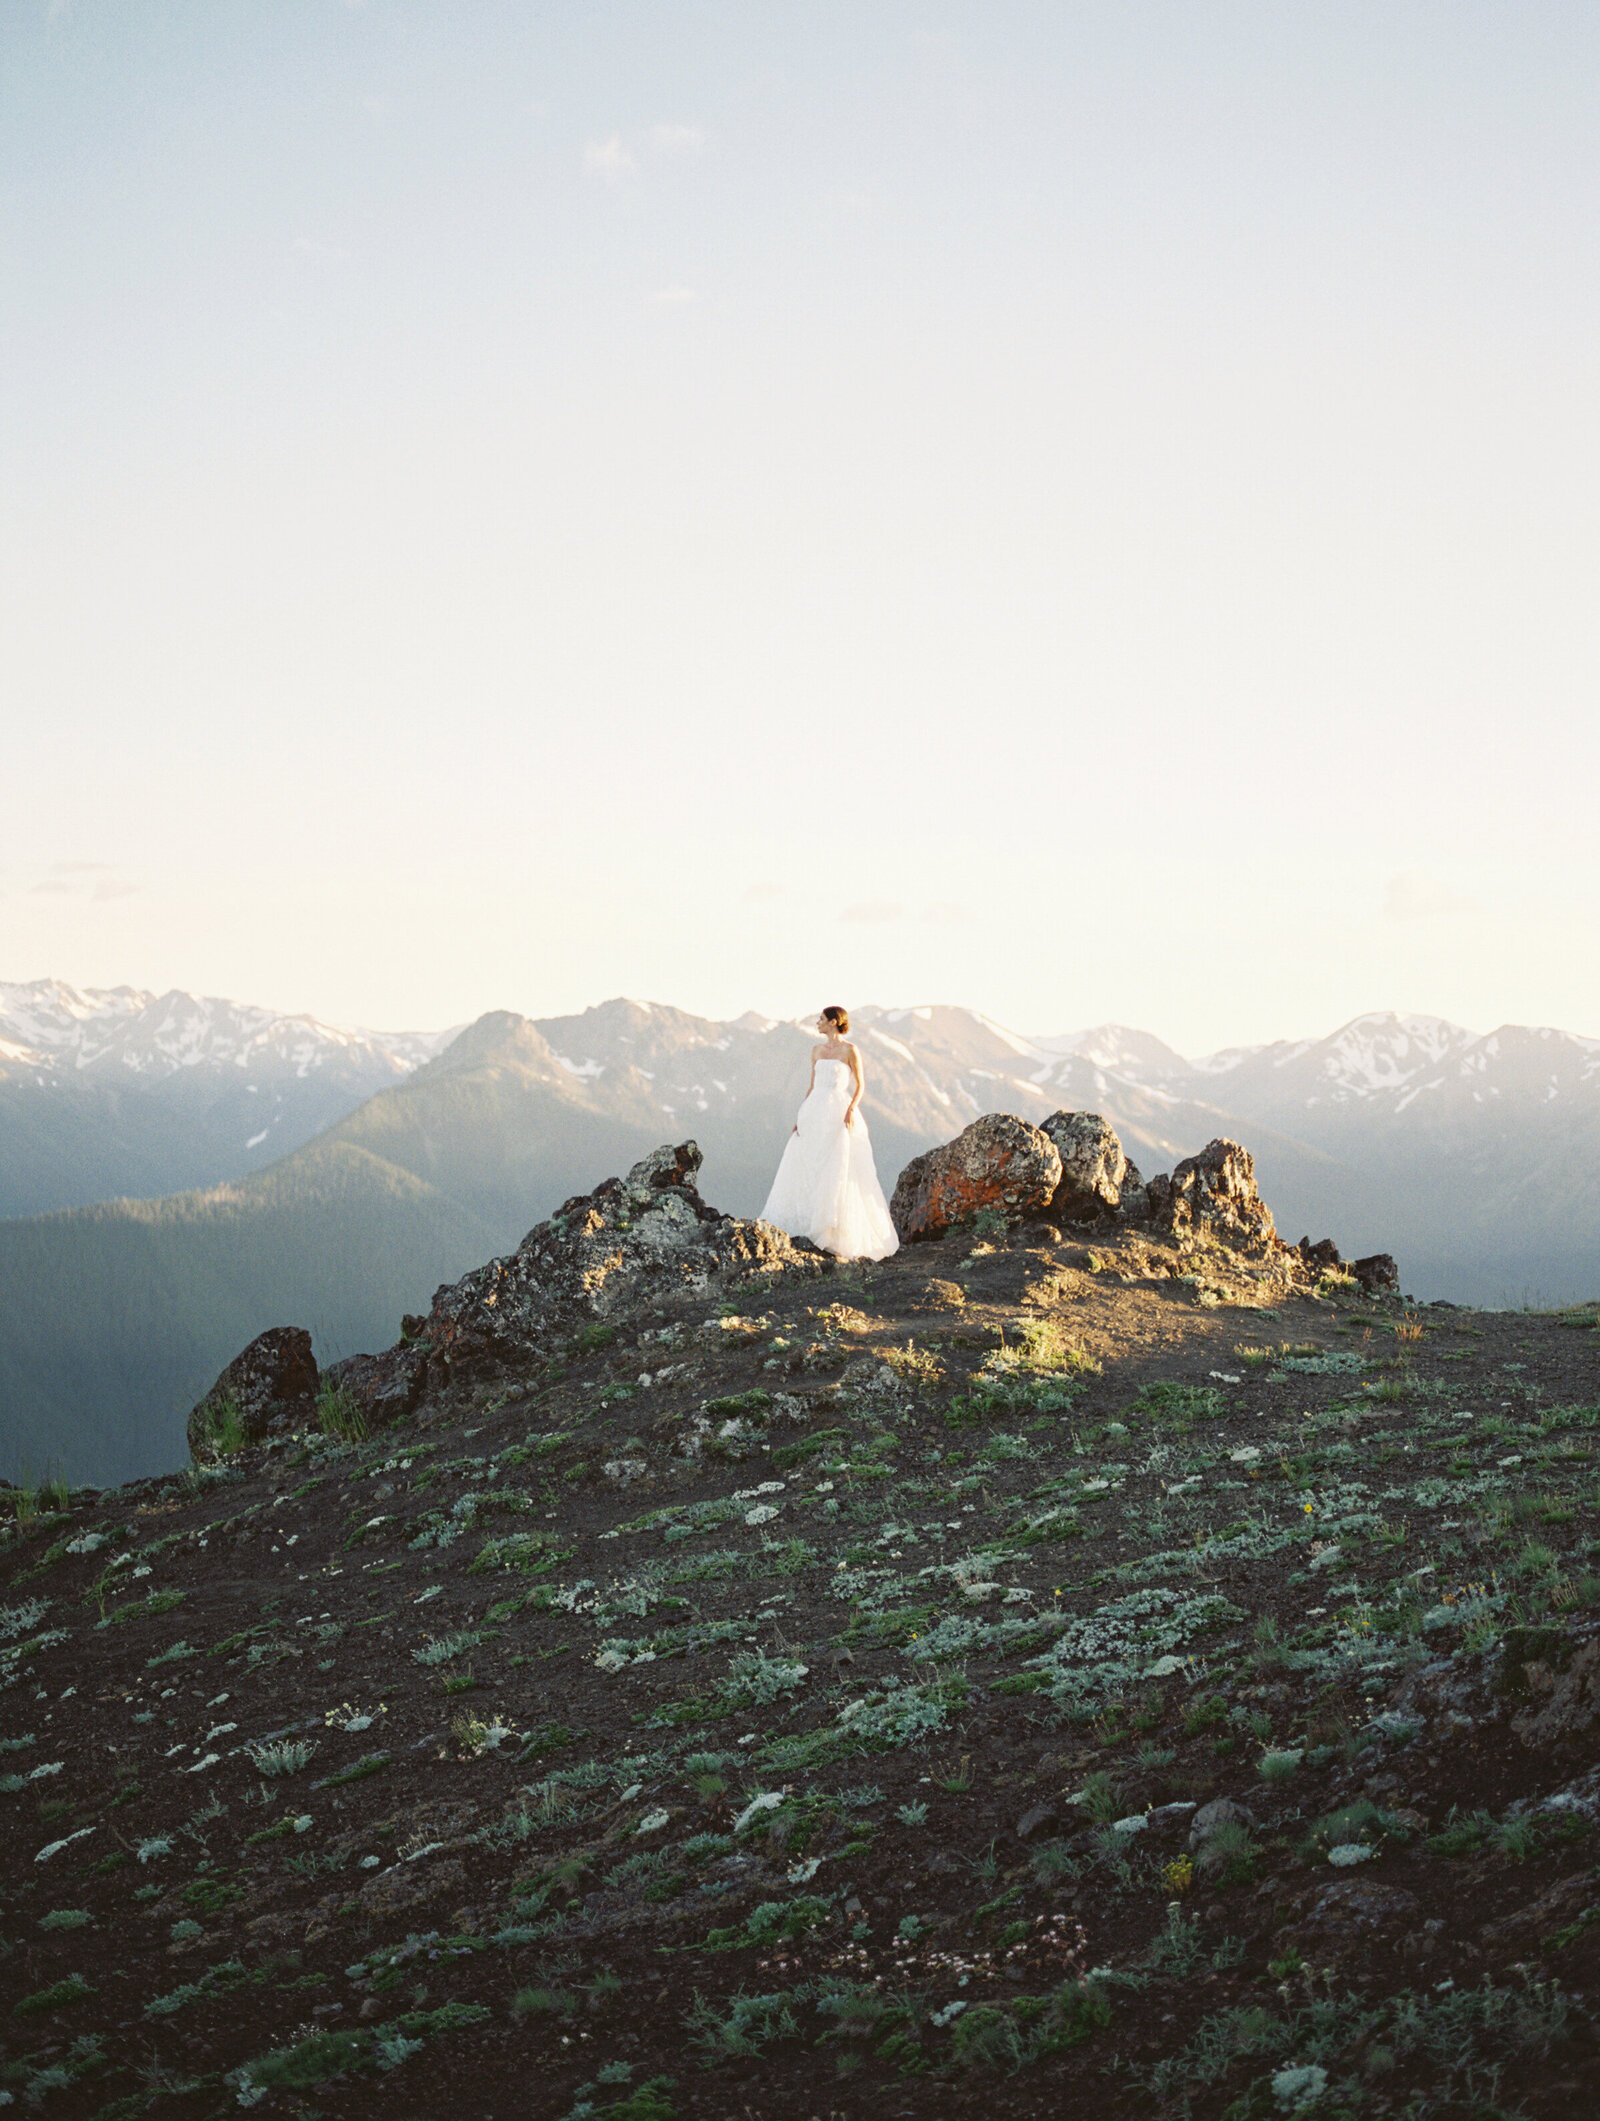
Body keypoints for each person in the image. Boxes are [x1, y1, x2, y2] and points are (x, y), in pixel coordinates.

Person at [759, 1005, 900, 1261]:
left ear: (834, 1022)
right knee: (807, 1162)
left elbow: (860, 1084)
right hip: (814, 1112)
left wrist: (850, 1109)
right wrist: (800, 1116)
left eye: (821, 1020)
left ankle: (833, 1229)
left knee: (837, 1165)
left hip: (838, 1111)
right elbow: (813, 1086)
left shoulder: (850, 1050)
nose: (818, 1024)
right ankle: (807, 1221)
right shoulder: (815, 1051)